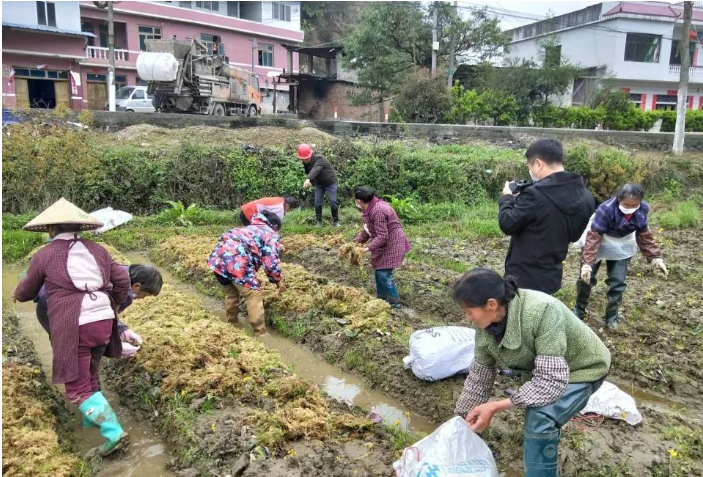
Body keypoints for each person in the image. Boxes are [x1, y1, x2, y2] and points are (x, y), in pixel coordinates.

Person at [453, 268, 611, 477]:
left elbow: (550, 382)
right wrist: (458, 424)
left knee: (540, 418)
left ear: (491, 304)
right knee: (534, 409)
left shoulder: (542, 310)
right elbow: (479, 380)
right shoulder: (485, 331)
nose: (467, 317)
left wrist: (496, 406)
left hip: (582, 369)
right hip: (545, 373)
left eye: (469, 311)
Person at [12, 198, 131, 457]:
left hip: (74, 324)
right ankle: (92, 419)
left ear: (51, 229)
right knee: (89, 374)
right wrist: (113, 305)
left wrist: (16, 294)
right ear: (79, 226)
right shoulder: (98, 250)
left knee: (76, 389)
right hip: (102, 321)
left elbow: (26, 290)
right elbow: (122, 279)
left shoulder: (45, 254)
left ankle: (113, 432)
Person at [499, 138, 595, 295]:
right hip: (551, 277)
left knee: (521, 317)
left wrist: (507, 198)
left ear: (538, 164)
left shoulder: (534, 195)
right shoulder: (586, 197)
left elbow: (507, 223)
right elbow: (574, 235)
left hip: (522, 278)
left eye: (530, 166)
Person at [575, 184, 668, 329]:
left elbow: (644, 235)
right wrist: (587, 263)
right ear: (619, 199)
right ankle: (579, 310)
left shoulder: (642, 209)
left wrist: (655, 257)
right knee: (586, 278)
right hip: (601, 238)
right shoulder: (606, 209)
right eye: (626, 204)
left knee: (618, 281)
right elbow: (594, 237)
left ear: (640, 202)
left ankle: (611, 316)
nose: (630, 208)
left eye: (634, 205)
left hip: (623, 242)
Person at [34, 264, 163, 356]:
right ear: (137, 286)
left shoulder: (122, 273)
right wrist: (116, 347)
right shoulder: (118, 290)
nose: (141, 299)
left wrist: (122, 329)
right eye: (143, 295)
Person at [208, 210, 286, 335]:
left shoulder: (248, 228)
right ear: (275, 226)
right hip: (236, 262)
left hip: (218, 259)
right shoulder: (271, 233)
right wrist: (278, 280)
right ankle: (261, 333)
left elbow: (247, 250)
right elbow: (270, 263)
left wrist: (251, 276)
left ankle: (232, 323)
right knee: (253, 295)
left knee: (231, 293)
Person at [352, 187, 410, 308]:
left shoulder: (378, 210)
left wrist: (367, 248)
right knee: (379, 272)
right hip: (384, 243)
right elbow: (367, 230)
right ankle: (382, 300)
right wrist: (355, 243)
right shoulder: (369, 209)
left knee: (384, 273)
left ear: (358, 201)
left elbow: (383, 236)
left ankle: (394, 303)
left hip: (393, 243)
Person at [297, 143, 339, 227]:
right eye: (303, 159)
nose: (305, 161)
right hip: (319, 183)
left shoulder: (319, 158)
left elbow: (315, 169)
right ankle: (319, 222)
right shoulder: (305, 161)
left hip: (330, 182)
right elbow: (308, 171)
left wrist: (308, 179)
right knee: (317, 203)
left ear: (311, 153)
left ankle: (336, 221)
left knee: (333, 202)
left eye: (306, 158)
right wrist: (311, 181)